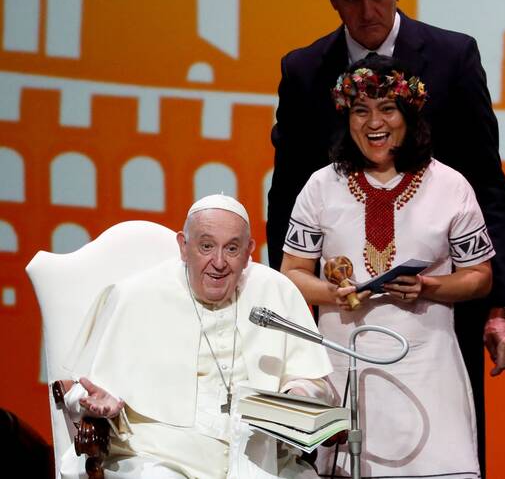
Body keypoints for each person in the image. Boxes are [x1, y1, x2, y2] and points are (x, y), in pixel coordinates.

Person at [265, 0, 505, 469]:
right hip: (339, 332)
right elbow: (285, 199)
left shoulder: (454, 56)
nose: (368, 11)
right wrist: (290, 304)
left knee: (443, 451)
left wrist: (500, 306)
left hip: (438, 323)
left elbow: (488, 181)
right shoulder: (303, 71)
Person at [281, 55, 490, 478]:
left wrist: (428, 287)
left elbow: (480, 277)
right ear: (347, 118)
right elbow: (291, 274)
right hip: (344, 368)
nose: (374, 122)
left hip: (428, 369)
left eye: (387, 109)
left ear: (409, 114)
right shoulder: (321, 186)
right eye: (361, 110)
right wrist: (332, 293)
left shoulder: (450, 187)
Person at [59, 194, 333, 479]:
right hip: (158, 458)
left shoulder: (275, 292)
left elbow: (315, 383)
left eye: (232, 249)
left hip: (256, 458)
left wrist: (297, 395)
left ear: (249, 251)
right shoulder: (136, 295)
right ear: (183, 246)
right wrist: (97, 404)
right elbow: (81, 391)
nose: (218, 262)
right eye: (206, 246)